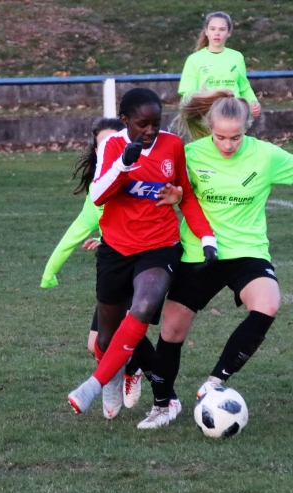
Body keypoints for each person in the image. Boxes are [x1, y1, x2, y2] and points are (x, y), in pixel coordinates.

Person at [139, 90, 293, 429]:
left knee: (268, 303)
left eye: (236, 137)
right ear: (210, 128)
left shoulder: (265, 155)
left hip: (248, 251)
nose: (228, 145)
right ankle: (162, 405)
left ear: (247, 128)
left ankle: (215, 382)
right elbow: (155, 189)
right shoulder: (191, 155)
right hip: (200, 253)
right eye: (221, 137)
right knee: (172, 330)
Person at [65, 88, 217, 429]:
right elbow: (98, 195)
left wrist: (207, 237)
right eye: (142, 124)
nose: (150, 131)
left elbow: (185, 195)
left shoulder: (172, 146)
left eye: (156, 123)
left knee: (145, 304)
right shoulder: (112, 146)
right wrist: (123, 164)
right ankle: (113, 376)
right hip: (116, 250)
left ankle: (94, 384)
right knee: (105, 340)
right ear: (125, 121)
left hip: (159, 245)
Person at [178, 11, 261, 118]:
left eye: (222, 29)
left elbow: (244, 88)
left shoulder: (237, 57)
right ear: (206, 31)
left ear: (229, 32)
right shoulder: (194, 59)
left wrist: (253, 102)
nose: (217, 33)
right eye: (213, 29)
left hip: (233, 114)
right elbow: (188, 94)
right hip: (205, 115)